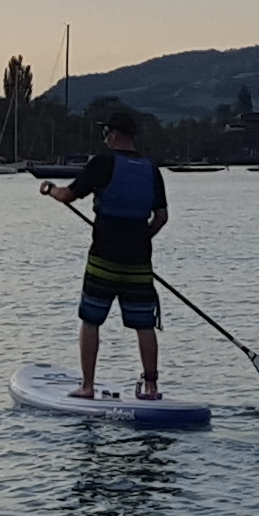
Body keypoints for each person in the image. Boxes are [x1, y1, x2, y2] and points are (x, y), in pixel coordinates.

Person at [39, 111, 172, 398]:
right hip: (139, 260)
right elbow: (161, 217)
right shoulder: (151, 169)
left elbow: (67, 195)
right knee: (144, 324)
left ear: (113, 135)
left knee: (91, 320)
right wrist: (139, 238)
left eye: (106, 133)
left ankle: (87, 386)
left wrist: (49, 189)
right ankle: (151, 387)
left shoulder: (103, 162)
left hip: (103, 257)